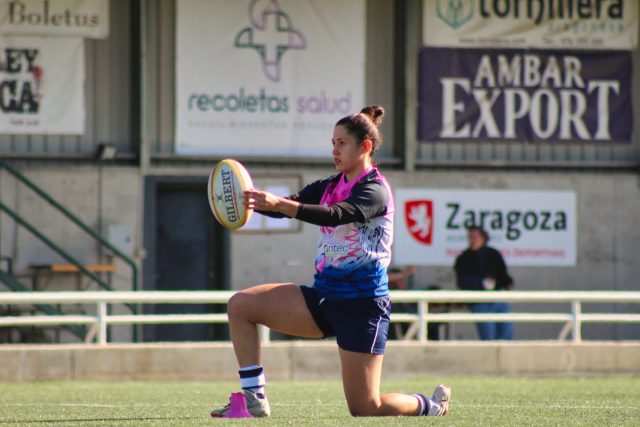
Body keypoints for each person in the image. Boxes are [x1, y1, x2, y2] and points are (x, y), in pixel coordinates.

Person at [211, 106, 451, 418]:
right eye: (332, 143)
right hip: (321, 299)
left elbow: (338, 215)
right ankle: (253, 397)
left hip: (362, 307)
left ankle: (430, 406)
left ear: (365, 146)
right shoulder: (329, 185)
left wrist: (280, 204)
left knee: (365, 407)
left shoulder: (375, 189)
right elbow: (290, 205)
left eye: (342, 143)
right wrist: (250, 201)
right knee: (241, 305)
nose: (334, 150)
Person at [454, 225, 514, 340]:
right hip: (479, 301)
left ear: (483, 238)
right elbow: (462, 282)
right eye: (470, 238)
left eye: (475, 237)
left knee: (506, 332)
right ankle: (490, 357)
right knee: (488, 334)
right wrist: (481, 283)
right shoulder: (463, 258)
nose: (472, 241)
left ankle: (505, 356)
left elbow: (502, 273)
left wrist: (508, 283)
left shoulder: (493, 254)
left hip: (497, 298)